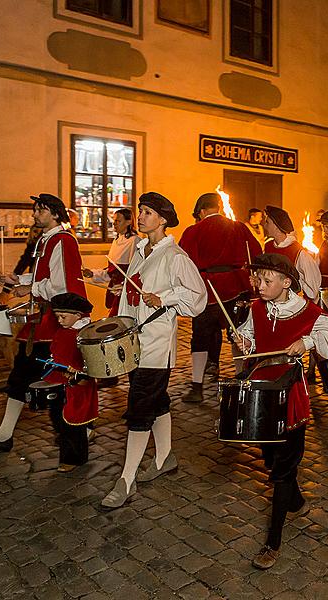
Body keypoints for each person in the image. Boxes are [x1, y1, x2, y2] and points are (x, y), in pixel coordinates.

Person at [233, 253, 328, 570]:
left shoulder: (307, 311)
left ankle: (273, 541)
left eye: (268, 280)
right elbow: (250, 335)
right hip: (260, 391)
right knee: (270, 458)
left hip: (291, 394)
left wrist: (307, 341)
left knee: (283, 467)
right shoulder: (257, 308)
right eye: (258, 279)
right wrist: (244, 341)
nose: (260, 285)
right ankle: (295, 499)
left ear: (286, 283)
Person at [101, 192, 207, 509]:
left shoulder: (174, 256)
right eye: (140, 211)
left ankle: (127, 479)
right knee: (156, 401)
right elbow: (132, 289)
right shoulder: (140, 250)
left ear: (162, 219)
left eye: (147, 212)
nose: (141, 216)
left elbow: (197, 297)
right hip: (134, 342)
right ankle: (164, 458)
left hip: (156, 346)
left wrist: (165, 298)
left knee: (139, 409)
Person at [0, 194, 87, 452]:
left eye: (40, 210)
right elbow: (47, 276)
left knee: (43, 378)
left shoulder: (62, 241)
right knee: (29, 377)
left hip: (57, 322)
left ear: (54, 213)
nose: (34, 215)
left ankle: (78, 431)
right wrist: (18, 279)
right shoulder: (49, 240)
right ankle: (7, 434)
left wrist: (30, 289)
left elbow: (61, 284)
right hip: (46, 321)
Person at [179, 192, 262, 403]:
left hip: (206, 290)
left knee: (200, 339)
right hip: (237, 285)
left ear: (202, 211)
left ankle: (197, 387)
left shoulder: (193, 231)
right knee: (238, 335)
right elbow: (255, 251)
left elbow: (182, 262)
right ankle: (241, 381)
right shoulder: (239, 227)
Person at [45, 292, 99, 472]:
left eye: (63, 316)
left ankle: (74, 458)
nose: (59, 320)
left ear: (78, 315)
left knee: (72, 421)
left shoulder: (85, 335)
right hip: (59, 381)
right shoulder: (62, 332)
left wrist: (79, 371)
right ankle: (72, 440)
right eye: (57, 317)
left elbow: (92, 361)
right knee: (57, 415)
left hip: (77, 385)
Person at [84, 208, 140, 313]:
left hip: (125, 292)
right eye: (114, 221)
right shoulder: (116, 240)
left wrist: (124, 286)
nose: (114, 224)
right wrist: (93, 273)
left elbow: (135, 272)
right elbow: (111, 271)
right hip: (114, 289)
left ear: (128, 222)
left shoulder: (135, 241)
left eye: (118, 221)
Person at [262, 205, 321, 303]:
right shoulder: (268, 246)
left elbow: (312, 291)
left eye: (267, 222)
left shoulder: (299, 253)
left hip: (291, 306)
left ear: (277, 227)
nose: (264, 226)